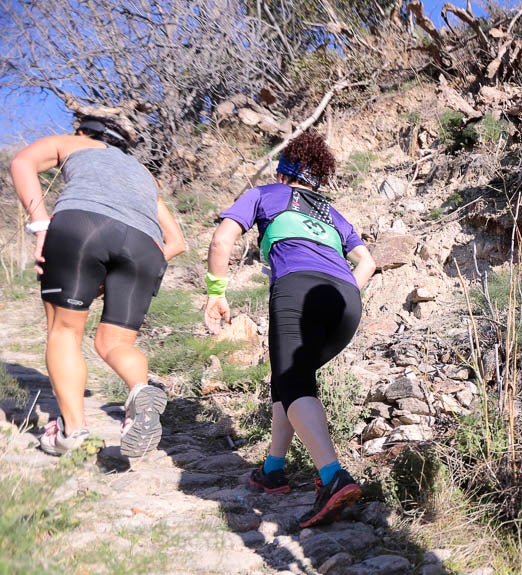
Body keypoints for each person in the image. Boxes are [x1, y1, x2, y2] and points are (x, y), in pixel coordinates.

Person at [205, 131, 376, 529]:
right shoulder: (331, 214)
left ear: (283, 175)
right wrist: (344, 289)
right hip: (346, 301)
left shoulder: (265, 194)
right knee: (289, 378)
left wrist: (215, 292)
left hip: (296, 288)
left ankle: (333, 477)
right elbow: (366, 262)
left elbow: (222, 238)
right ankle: (274, 469)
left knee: (293, 379)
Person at [10, 106, 186, 458]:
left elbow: (21, 163)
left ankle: (71, 432)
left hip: (82, 227)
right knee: (115, 341)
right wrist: (123, 267)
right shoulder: (141, 174)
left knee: (64, 332)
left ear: (82, 132)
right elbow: (178, 242)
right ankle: (139, 392)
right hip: (144, 246)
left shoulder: (71, 143)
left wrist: (40, 224)